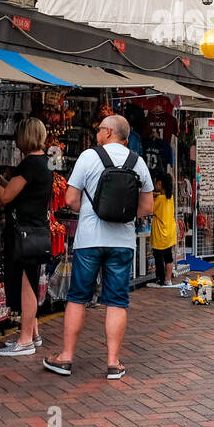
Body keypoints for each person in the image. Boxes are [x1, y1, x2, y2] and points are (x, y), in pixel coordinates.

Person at [45, 115, 153, 380]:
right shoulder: (137, 162)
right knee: (117, 300)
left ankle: (66, 357)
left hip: (89, 241)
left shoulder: (88, 157)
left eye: (98, 129)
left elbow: (70, 199)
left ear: (107, 132)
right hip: (123, 243)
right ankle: (113, 362)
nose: (96, 133)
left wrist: (95, 213)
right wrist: (123, 215)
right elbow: (148, 207)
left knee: (78, 297)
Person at [0, 117, 52, 356]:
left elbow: (5, 196)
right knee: (30, 282)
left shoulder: (29, 165)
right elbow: (16, 190)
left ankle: (24, 341)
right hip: (35, 230)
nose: (15, 140)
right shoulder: (44, 163)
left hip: (24, 232)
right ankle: (33, 334)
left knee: (26, 285)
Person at [150, 172, 179, 287]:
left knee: (158, 258)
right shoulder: (170, 197)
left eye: (155, 182)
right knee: (168, 257)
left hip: (160, 232)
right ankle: (168, 280)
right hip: (170, 231)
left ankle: (160, 280)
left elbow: (150, 208)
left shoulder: (159, 199)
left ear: (160, 184)